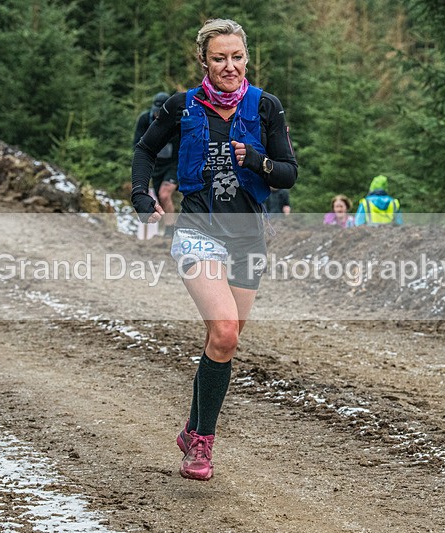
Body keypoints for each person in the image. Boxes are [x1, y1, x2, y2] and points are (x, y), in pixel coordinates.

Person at [131, 18, 297, 481]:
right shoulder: (182, 107)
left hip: (248, 237)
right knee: (224, 332)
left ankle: (192, 428)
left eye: (237, 56)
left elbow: (287, 173)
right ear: (204, 59)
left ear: (247, 57)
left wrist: (258, 159)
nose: (230, 66)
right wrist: (141, 197)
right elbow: (145, 150)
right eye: (219, 57)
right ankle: (202, 446)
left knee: (222, 342)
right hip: (198, 231)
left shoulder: (266, 107)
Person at [133, 91, 180, 235]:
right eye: (155, 112)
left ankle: (170, 231)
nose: (156, 116)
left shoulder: (177, 121)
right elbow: (138, 146)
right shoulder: (144, 120)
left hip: (174, 163)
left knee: (165, 194)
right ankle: (168, 227)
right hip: (156, 165)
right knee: (161, 198)